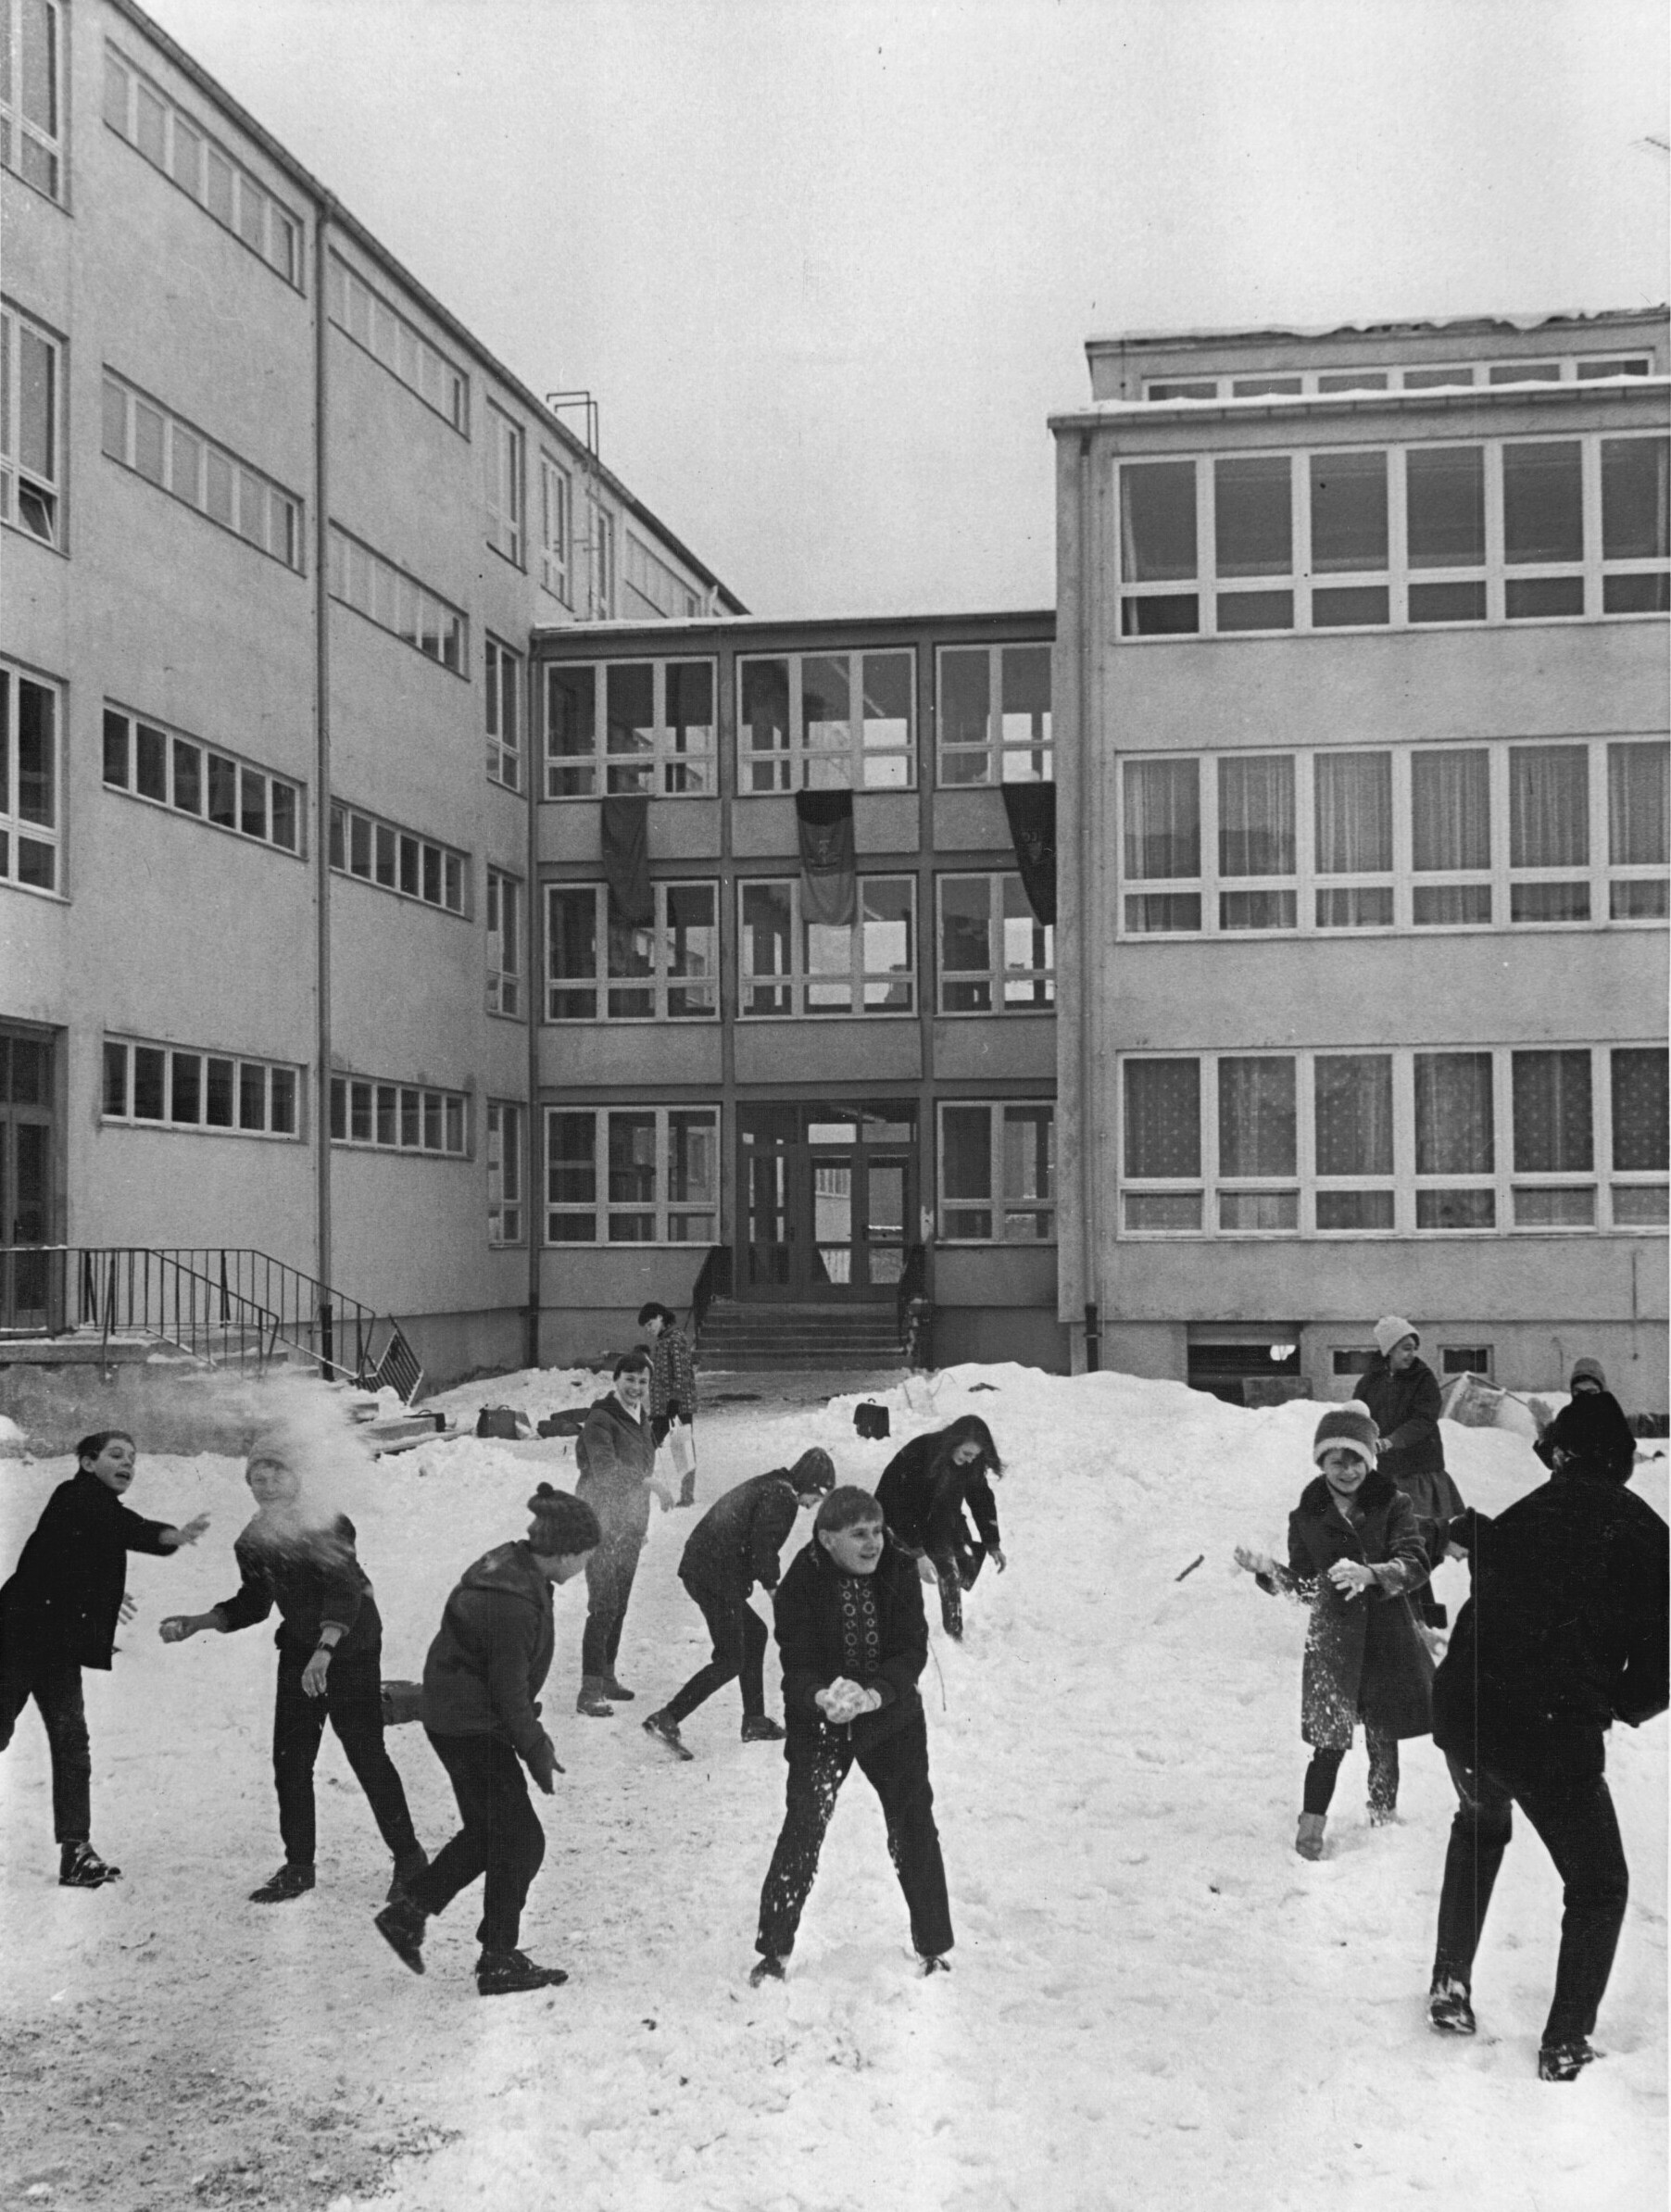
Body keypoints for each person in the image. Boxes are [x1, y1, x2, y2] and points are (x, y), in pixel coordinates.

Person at [1426, 1393, 1668, 2080]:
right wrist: (1621, 1704)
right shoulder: (1649, 1535)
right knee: (1598, 1884)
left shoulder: (1523, 1515)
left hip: (1465, 1711)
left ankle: (1450, 1982)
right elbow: (1663, 1665)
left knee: (1479, 1827)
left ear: (1560, 1456)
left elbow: (1483, 1600)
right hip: (1551, 1728)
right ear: (1620, 1461)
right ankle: (1564, 2042)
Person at [158, 1440, 427, 1906]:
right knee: (291, 1759)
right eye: (257, 1479)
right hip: (302, 1649)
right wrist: (200, 1622)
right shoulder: (252, 1540)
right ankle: (299, 1865)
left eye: (277, 1475)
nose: (267, 1487)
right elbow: (254, 1604)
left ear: (298, 1478)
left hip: (351, 1647)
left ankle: (410, 1860)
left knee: (364, 1750)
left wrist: (326, 1650)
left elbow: (345, 1588)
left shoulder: (327, 1521)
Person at [374, 1484, 599, 1997]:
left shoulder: (514, 1569)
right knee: (521, 1840)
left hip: (457, 1718)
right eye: (584, 1558)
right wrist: (536, 1749)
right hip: (470, 1727)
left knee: (490, 1833)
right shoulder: (513, 1603)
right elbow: (509, 1692)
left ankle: (409, 1916)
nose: (584, 1567)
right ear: (563, 1552)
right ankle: (496, 1959)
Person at [750, 1486, 953, 1984]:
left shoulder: (900, 1568)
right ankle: (773, 1953)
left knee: (913, 1827)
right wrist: (822, 1696)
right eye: (857, 1533)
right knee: (804, 1824)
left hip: (892, 1719)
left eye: (877, 1531)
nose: (873, 1543)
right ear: (826, 1538)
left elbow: (911, 1649)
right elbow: (796, 1663)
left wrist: (877, 1694)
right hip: (823, 1722)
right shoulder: (801, 1582)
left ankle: (933, 1947)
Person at [0, 1429, 209, 1887]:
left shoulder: (98, 1509)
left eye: (133, 1458)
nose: (128, 1464)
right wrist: (168, 1535)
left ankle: (76, 1850)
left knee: (72, 1741)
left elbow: (85, 1553)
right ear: (88, 1463)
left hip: (54, 1646)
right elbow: (121, 1528)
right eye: (116, 1455)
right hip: (15, 1637)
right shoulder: (77, 1496)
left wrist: (98, 1601)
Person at [1235, 1401, 1435, 1860]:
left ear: (1370, 1461)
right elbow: (1306, 1589)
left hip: (1387, 1635)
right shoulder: (1305, 1516)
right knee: (1329, 1740)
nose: (1347, 1470)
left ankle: (1383, 1825)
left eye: (1356, 1460)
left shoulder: (1395, 1504)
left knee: (1383, 1735)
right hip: (1334, 1641)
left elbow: (1416, 1563)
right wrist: (1268, 1572)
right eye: (1336, 1460)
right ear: (1321, 1462)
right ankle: (1310, 1832)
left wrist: (1372, 1574)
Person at [642, 1448, 837, 1757]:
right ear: (812, 1485)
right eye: (819, 1496)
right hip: (713, 1575)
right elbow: (764, 1548)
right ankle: (667, 1718)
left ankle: (755, 1720)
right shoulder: (782, 1496)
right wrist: (776, 1595)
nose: (814, 1505)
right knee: (731, 1658)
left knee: (755, 1633)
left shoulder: (775, 1485)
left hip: (708, 1568)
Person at [1357, 1317, 1464, 1628]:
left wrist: (1391, 1441)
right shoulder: (1371, 1381)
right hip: (1389, 1474)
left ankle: (1419, 1611)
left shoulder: (1423, 1379)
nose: (1411, 1354)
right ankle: (1415, 1612)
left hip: (1420, 1473)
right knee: (1398, 1542)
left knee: (1418, 1541)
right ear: (1388, 1349)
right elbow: (1359, 1412)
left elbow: (1424, 1420)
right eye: (1405, 1348)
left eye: (1414, 1348)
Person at [574, 1349, 665, 1716]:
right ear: (616, 1380)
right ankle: (588, 1689)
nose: (636, 1387)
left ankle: (607, 1677)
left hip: (628, 1525)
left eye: (643, 1382)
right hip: (599, 1523)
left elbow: (642, 1467)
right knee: (603, 1605)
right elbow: (606, 1471)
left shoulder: (641, 1417)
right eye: (629, 1380)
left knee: (620, 1604)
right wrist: (649, 1482)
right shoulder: (601, 1419)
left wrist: (640, 1526)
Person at [874, 1414, 1006, 1640]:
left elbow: (981, 1498)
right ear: (953, 1443)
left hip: (940, 1521)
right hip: (896, 1520)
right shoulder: (921, 1453)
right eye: (967, 1453)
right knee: (898, 1576)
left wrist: (992, 1543)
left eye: (976, 1456)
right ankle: (889, 1631)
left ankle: (954, 1635)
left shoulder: (970, 1464)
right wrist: (918, 1553)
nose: (971, 1460)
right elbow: (897, 1505)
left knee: (951, 1572)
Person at [1533, 1357, 1637, 1486]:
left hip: (1604, 1490)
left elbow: (1621, 1462)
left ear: (1601, 1390)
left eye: (1590, 1391)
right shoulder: (1568, 1413)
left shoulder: (1609, 1412)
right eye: (1578, 1391)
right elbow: (1552, 1460)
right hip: (1566, 1488)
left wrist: (1550, 1425)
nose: (1584, 1397)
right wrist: (1543, 1433)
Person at [639, 1301, 698, 1507]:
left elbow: (681, 1372)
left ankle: (687, 1496)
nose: (648, 1330)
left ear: (660, 1317)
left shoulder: (676, 1339)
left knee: (682, 1448)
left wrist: (674, 1400)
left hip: (678, 1406)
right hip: (665, 1407)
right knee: (650, 1444)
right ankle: (641, 1488)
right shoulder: (664, 1339)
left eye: (649, 1324)